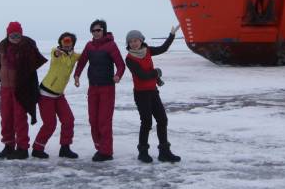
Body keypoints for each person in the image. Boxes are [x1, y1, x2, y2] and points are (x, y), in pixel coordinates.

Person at [0, 21, 47, 160]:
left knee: (20, 118)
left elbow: (34, 63)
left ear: (21, 34)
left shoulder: (27, 45)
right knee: (6, 117)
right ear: (8, 34)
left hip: (21, 88)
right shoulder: (2, 45)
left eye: (18, 34)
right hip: (5, 88)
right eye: (12, 34)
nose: (15, 37)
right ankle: (8, 145)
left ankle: (22, 148)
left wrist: (26, 48)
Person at [125, 26, 182, 163]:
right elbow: (142, 75)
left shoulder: (148, 50)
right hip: (141, 94)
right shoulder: (129, 58)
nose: (134, 43)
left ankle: (164, 152)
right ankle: (143, 152)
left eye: (136, 40)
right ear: (128, 44)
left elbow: (163, 48)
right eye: (131, 41)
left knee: (162, 120)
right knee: (146, 122)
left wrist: (172, 35)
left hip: (153, 92)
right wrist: (156, 73)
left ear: (141, 40)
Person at [73, 19, 126, 161]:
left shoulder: (111, 45)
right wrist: (77, 75)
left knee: (104, 120)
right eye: (93, 30)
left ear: (104, 30)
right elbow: (82, 61)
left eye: (98, 30)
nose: (96, 33)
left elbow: (121, 65)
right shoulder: (89, 46)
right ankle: (99, 147)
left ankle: (106, 152)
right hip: (93, 88)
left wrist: (118, 75)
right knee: (93, 120)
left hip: (107, 88)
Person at [31, 32, 81, 159]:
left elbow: (86, 56)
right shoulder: (56, 52)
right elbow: (55, 53)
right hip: (46, 94)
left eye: (70, 43)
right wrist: (59, 52)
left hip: (59, 95)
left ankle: (65, 148)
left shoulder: (74, 56)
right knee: (50, 124)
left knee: (68, 119)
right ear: (61, 43)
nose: (67, 45)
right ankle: (37, 149)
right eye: (65, 42)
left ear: (73, 44)